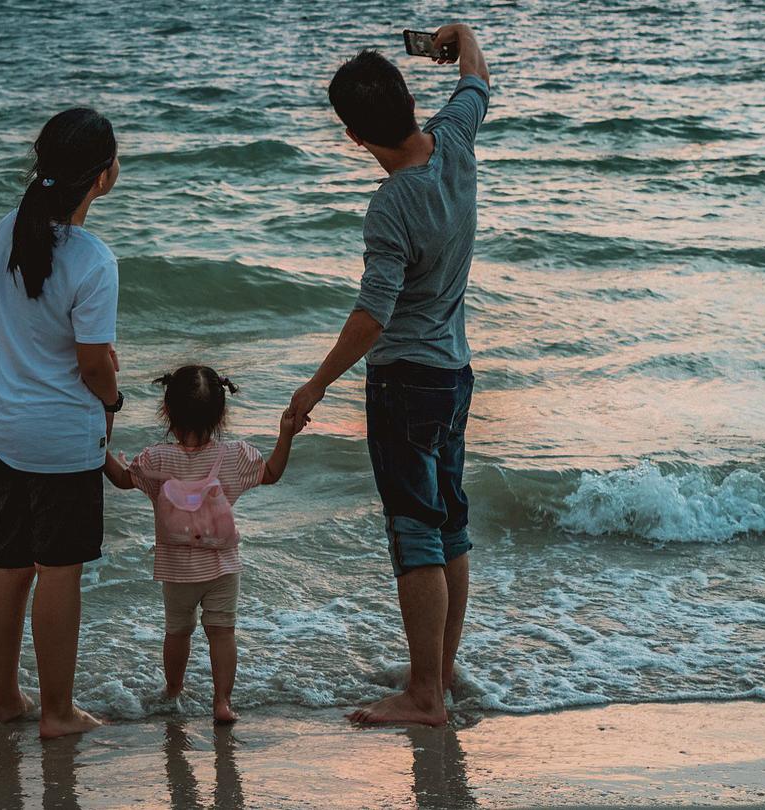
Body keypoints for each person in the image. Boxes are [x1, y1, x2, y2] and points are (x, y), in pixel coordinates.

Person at [283, 23, 492, 726]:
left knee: (416, 532)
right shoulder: (455, 139)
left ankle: (424, 695)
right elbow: (475, 73)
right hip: (456, 373)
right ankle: (440, 669)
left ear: (353, 136)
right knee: (450, 524)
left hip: (405, 380)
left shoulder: (391, 204)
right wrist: (452, 35)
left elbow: (374, 314)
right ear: (409, 98)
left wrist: (314, 386)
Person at [0, 107, 124, 739]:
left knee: (9, 565)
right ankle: (59, 714)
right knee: (60, 572)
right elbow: (94, 366)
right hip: (61, 440)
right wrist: (114, 402)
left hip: (2, 430)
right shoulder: (93, 259)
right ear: (102, 176)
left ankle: (6, 699)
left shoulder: (7, 231)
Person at [103, 365, 297, 724]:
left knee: (177, 631)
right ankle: (222, 702)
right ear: (221, 414)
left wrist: (99, 446)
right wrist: (286, 434)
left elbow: (121, 479)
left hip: (177, 570)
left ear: (168, 412)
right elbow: (272, 473)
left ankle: (173, 690)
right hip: (222, 567)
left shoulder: (157, 459)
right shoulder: (235, 456)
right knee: (222, 632)